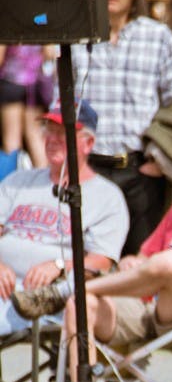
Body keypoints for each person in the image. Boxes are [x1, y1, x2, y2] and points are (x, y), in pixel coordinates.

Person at [13, 126, 172, 382]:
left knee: (171, 262)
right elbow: (146, 260)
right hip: (141, 301)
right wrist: (133, 262)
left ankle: (69, 289)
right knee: (80, 306)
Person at [70, 0, 172, 256]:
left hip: (140, 173)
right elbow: (61, 102)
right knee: (88, 263)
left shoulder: (158, 36)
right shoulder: (74, 37)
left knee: (139, 261)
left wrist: (159, 161)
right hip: (89, 170)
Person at [0, 102, 128, 338]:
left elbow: (102, 261)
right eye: (49, 130)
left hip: (47, 298)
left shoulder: (107, 197)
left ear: (88, 143)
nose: (52, 138)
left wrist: (59, 265)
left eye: (63, 132)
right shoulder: (18, 181)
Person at [0, 44, 56, 167]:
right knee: (35, 135)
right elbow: (49, 53)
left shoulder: (7, 24)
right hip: (35, 84)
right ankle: (43, 182)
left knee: (11, 140)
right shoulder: (41, 24)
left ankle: (11, 182)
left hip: (11, 80)